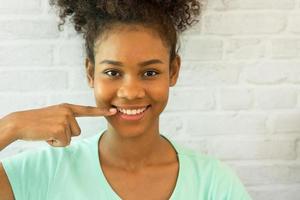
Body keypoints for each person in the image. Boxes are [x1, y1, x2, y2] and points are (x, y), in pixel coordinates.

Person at [0, 0, 252, 199]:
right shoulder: (44, 173)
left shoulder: (213, 182)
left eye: (150, 72)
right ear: (90, 73)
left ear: (173, 71)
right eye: (113, 73)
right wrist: (10, 127)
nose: (130, 92)